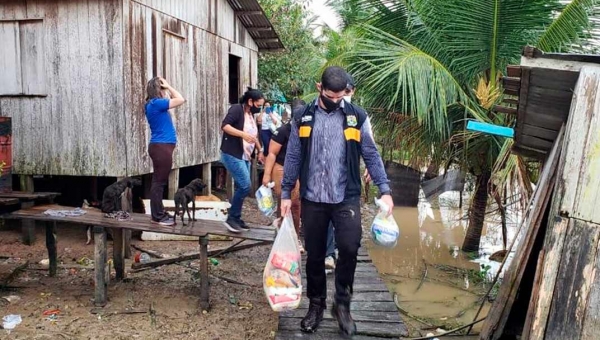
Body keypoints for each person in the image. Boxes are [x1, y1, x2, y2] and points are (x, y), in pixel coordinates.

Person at [281, 66, 394, 336]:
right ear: (320, 87)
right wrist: (286, 192)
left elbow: (371, 153)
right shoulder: (303, 117)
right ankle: (316, 305)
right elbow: (294, 156)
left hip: (345, 197)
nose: (334, 102)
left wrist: (385, 188)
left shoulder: (357, 117)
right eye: (329, 96)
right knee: (315, 255)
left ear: (347, 91)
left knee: (349, 247)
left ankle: (342, 304)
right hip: (313, 199)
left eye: (339, 97)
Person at [262, 99, 305, 252]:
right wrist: (266, 175)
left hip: (301, 169)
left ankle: (293, 235)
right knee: (288, 201)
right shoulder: (283, 130)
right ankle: (287, 236)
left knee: (297, 204)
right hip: (282, 168)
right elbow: (272, 154)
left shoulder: (308, 129)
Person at [221, 87, 265, 233]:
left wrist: (260, 150)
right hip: (232, 153)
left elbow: (253, 136)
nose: (259, 108)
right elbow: (225, 126)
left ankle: (236, 217)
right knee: (245, 185)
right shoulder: (236, 109)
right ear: (250, 101)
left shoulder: (250, 116)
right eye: (258, 105)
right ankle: (231, 218)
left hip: (245, 155)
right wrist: (242, 135)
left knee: (243, 187)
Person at [145, 77, 186, 226]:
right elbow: (181, 99)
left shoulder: (152, 104)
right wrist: (169, 86)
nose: (166, 92)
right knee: (159, 182)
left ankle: (158, 212)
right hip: (161, 147)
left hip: (160, 147)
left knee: (158, 181)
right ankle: (157, 216)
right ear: (159, 90)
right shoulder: (156, 103)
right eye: (163, 89)